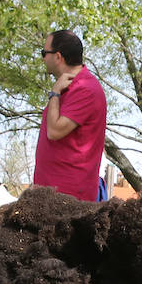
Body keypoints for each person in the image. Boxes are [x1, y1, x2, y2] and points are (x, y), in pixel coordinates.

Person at [33, 30, 107, 201]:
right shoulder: (71, 86)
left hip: (68, 200)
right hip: (53, 196)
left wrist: (54, 94)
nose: (43, 58)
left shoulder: (85, 89)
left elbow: (54, 132)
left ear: (58, 57)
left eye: (44, 53)